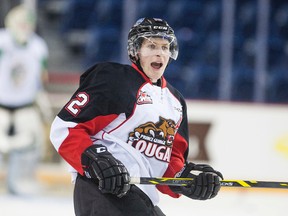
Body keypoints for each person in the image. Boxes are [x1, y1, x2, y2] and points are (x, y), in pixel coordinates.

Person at [50, 17, 223, 216]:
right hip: (103, 190)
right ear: (135, 51)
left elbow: (168, 163)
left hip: (140, 197)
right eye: (151, 45)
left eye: (165, 47)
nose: (160, 52)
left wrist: (187, 179)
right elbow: (65, 128)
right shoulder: (114, 80)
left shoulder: (175, 102)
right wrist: (95, 160)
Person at [0, 4, 50, 195]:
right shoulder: (2, 41)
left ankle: (21, 182)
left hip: (25, 106)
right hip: (0, 105)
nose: (24, 28)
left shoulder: (38, 46)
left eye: (27, 24)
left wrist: (41, 101)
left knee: (33, 142)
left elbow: (41, 78)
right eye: (20, 23)